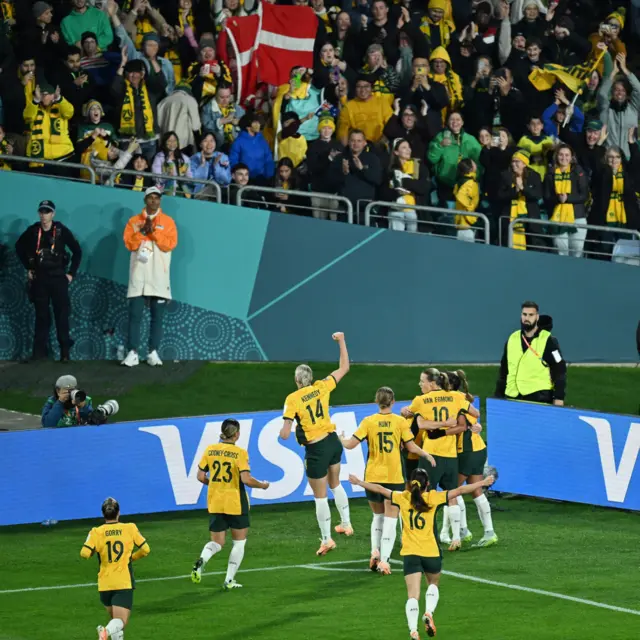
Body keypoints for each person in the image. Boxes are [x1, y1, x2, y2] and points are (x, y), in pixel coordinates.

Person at [349, 469, 495, 640]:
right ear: (427, 484)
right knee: (433, 583)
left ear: (410, 485)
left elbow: (381, 490)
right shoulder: (433, 497)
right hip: (431, 552)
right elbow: (461, 490)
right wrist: (482, 483)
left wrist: (359, 482)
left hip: (411, 554)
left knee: (412, 595)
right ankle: (428, 612)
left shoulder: (402, 498)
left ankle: (413, 630)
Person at [340, 386, 434, 575]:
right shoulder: (400, 422)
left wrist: (341, 438)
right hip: (394, 476)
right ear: (393, 402)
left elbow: (350, 445)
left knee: (378, 516)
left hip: (373, 476)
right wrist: (427, 455)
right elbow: (411, 446)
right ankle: (384, 561)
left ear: (377, 402)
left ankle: (375, 550)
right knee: (391, 519)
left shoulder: (369, 421)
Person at [279, 332, 352, 556]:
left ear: (297, 380)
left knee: (320, 496)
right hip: (332, 442)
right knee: (336, 484)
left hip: (316, 449)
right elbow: (344, 367)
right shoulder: (322, 386)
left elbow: (284, 434)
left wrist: (287, 430)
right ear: (310, 378)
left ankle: (327, 539)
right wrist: (341, 341)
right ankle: (346, 523)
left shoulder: (292, 399)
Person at [402, 368, 479, 552]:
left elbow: (413, 419)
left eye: (422, 381)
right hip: (450, 455)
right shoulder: (455, 396)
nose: (420, 384)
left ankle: (426, 536)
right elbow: (475, 413)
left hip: (431, 455)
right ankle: (455, 538)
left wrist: (432, 423)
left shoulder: (420, 400)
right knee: (451, 495)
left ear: (432, 383)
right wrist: (448, 423)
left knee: (423, 495)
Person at [191, 418, 269, 590]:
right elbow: (246, 479)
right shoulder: (240, 453)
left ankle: (202, 560)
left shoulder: (210, 450)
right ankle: (229, 580)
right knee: (239, 543)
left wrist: (215, 484)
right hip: (235, 502)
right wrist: (263, 485)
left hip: (215, 502)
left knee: (217, 543)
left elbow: (200, 476)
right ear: (237, 434)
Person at [15, 200, 82, 362]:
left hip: (59, 278)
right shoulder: (33, 231)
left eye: (47, 212)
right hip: (40, 279)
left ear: (53, 214)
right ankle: (39, 353)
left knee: (61, 315)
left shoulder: (60, 230)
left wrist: (71, 273)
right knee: (41, 316)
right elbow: (19, 247)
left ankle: (65, 353)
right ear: (39, 213)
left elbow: (77, 251)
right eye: (42, 212)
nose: (44, 215)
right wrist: (28, 267)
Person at [122, 187, 178, 368]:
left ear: (160, 201)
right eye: (150, 198)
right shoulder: (134, 221)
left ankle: (153, 352)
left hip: (159, 276)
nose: (154, 201)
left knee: (157, 317)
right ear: (145, 200)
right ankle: (132, 353)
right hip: (139, 274)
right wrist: (142, 232)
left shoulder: (168, 222)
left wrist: (153, 232)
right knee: (135, 315)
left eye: (157, 198)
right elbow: (129, 244)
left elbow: (169, 245)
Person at [80, 497, 150, 640]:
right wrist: (131, 557)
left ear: (103, 514)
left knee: (115, 622)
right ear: (118, 513)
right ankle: (104, 632)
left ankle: (108, 631)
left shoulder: (96, 532)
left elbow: (84, 553)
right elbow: (145, 550)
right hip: (123, 582)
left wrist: (94, 550)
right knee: (121, 622)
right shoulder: (129, 528)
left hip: (104, 583)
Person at [444, 370, 497, 548]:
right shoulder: (462, 399)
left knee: (452, 490)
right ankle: (489, 532)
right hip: (477, 449)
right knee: (476, 491)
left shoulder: (456, 400)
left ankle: (460, 532)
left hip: (467, 451)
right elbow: (474, 417)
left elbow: (466, 422)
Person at [494, 300, 567, 406]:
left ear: (537, 317)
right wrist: (498, 396)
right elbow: (504, 371)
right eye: (524, 314)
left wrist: (559, 398)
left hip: (538, 398)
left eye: (531, 315)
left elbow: (560, 370)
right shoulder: (512, 339)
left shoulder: (548, 341)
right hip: (512, 397)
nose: (526, 318)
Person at [543, 144, 589, 257]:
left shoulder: (578, 171)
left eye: (567, 155)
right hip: (558, 217)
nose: (564, 158)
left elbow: (584, 195)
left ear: (572, 157)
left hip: (577, 216)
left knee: (577, 250)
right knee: (560, 250)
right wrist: (558, 199)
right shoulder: (550, 173)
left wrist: (568, 199)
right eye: (561, 155)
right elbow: (546, 197)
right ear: (556, 156)